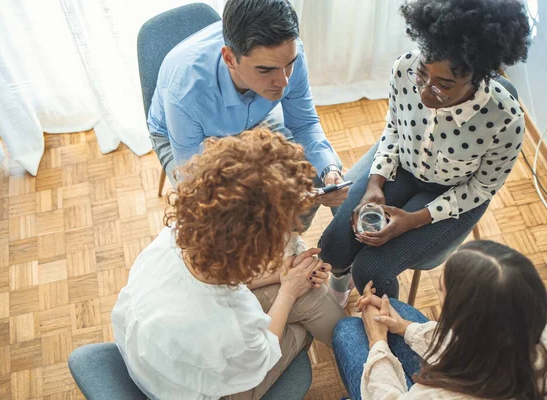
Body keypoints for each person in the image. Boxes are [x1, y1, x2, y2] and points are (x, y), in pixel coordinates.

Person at [319, 0, 532, 304]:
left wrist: (414, 219)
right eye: (422, 74)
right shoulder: (404, 68)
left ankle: (384, 326)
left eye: (444, 85)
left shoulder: (505, 119)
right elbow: (393, 129)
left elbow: (481, 188)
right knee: (333, 246)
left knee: (372, 270)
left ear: (478, 77)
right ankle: (341, 280)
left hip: (454, 194)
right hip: (402, 167)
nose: (424, 91)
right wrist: (375, 183)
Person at [112, 129, 346, 400]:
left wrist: (282, 276)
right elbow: (262, 351)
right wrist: (288, 291)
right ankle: (366, 361)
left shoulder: (175, 237)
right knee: (300, 325)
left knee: (306, 296)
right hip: (207, 387)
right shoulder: (231, 326)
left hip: (154, 357)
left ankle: (360, 351)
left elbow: (222, 283)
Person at [147, 0, 351, 230]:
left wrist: (329, 172)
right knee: (220, 223)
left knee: (317, 169)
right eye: (265, 70)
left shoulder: (286, 54)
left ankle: (289, 238)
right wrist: (278, 198)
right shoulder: (184, 93)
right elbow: (196, 185)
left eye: (289, 64)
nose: (284, 81)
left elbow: (304, 125)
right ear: (230, 59)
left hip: (251, 121)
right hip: (188, 140)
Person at [333, 240, 547, 399]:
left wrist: (377, 342)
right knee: (394, 310)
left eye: (441, 289)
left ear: (459, 319)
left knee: (347, 331)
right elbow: (465, 344)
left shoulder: (436, 395)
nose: (438, 290)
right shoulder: (530, 335)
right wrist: (404, 327)